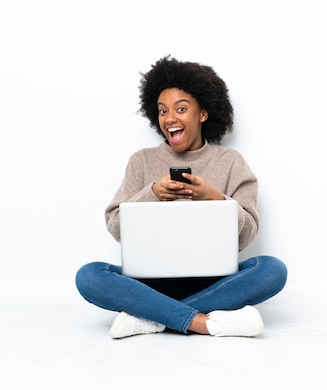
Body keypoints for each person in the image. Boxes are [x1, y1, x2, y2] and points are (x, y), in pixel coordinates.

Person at [75, 56, 288, 339]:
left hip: (214, 282)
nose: (170, 118)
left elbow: (247, 235)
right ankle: (202, 321)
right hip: (150, 283)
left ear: (203, 113)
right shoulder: (141, 161)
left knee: (273, 270)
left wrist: (216, 199)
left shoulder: (232, 162)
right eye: (163, 111)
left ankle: (153, 316)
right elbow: (115, 226)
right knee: (89, 275)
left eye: (181, 108)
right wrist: (152, 194)